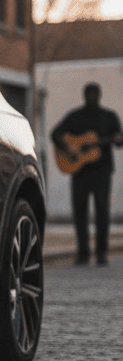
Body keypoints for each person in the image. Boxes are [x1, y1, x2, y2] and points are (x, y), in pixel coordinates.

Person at [51, 83, 123, 265]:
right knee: (80, 212)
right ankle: (83, 253)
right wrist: (68, 148)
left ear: (99, 95)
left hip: (102, 172)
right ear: (84, 95)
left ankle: (101, 253)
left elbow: (119, 142)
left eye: (94, 93)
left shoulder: (110, 117)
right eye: (88, 93)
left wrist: (117, 139)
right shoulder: (75, 116)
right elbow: (55, 134)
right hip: (79, 172)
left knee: (102, 212)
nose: (91, 96)